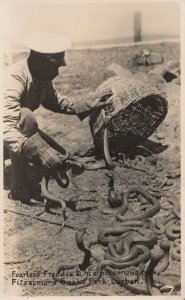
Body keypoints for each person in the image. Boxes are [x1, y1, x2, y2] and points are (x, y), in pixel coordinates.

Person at [3, 32, 112, 204]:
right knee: (26, 118)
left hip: (10, 131)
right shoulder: (13, 78)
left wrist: (89, 105)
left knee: (60, 156)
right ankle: (19, 188)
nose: (57, 72)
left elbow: (55, 102)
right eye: (55, 67)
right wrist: (38, 149)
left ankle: (11, 157)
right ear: (39, 61)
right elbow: (7, 125)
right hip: (6, 129)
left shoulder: (41, 74)